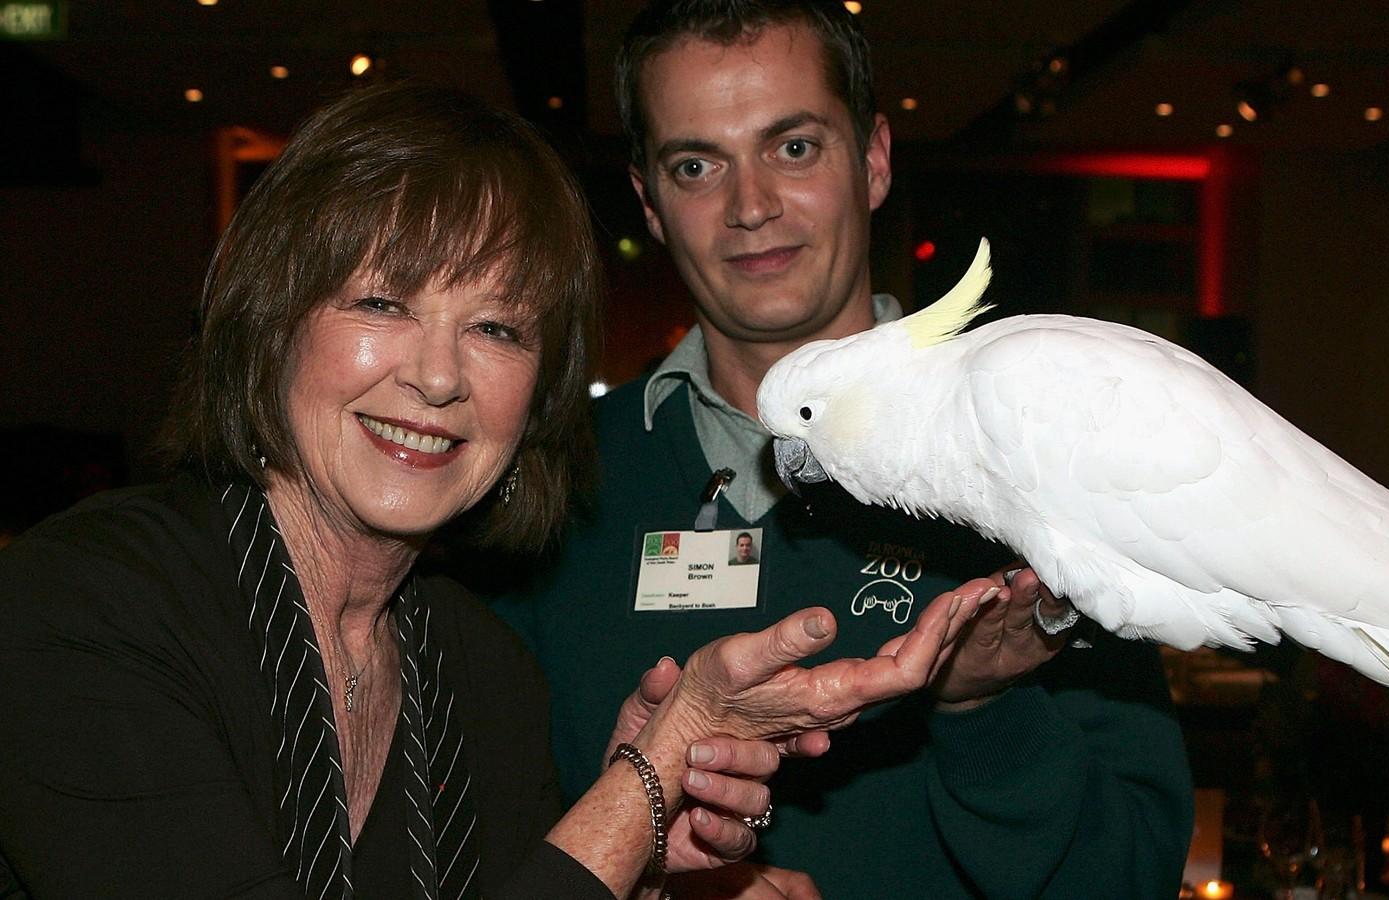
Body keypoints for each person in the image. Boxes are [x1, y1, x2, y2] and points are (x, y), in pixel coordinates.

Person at [0, 82, 997, 900]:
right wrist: (651, 779)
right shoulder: (82, 609)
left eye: (497, 329)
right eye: (382, 302)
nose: (438, 376)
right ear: (267, 322)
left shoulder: (482, 671)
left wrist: (644, 873)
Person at [491, 2, 1195, 897]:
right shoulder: (551, 482)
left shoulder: (1035, 466)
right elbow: (474, 850)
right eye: (698, 164)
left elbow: (1130, 875)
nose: (751, 206)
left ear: (872, 160)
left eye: (794, 148)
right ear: (651, 204)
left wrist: (984, 705)